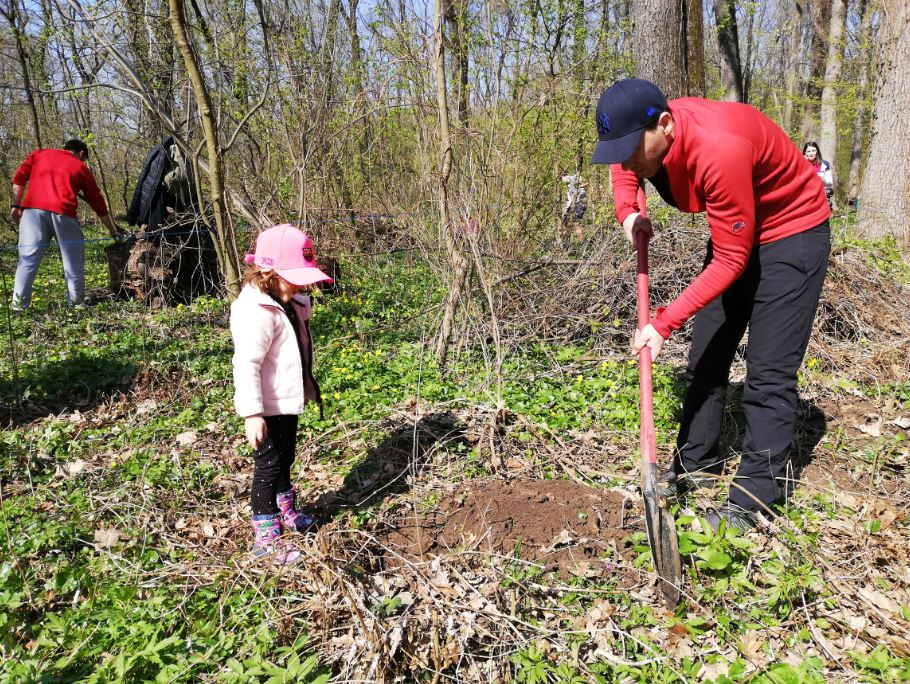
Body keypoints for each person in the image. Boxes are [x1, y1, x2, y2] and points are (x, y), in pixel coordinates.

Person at [591, 79, 831, 531]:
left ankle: (753, 498)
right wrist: (628, 213)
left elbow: (731, 261)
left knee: (768, 373)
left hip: (792, 234)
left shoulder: (717, 149)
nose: (624, 158)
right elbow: (624, 168)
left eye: (630, 147)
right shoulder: (645, 138)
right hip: (739, 232)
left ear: (665, 125)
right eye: (615, 148)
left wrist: (662, 324)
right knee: (706, 355)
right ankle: (694, 467)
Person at [230, 223, 332, 562]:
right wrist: (252, 413)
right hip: (267, 405)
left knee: (285, 458)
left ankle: (286, 511)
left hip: (288, 401)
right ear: (267, 271)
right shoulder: (256, 312)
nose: (302, 284)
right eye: (294, 276)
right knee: (268, 468)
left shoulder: (288, 302)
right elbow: (246, 364)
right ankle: (267, 538)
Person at [10, 139, 124, 311]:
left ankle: (18, 308)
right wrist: (113, 230)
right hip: (63, 214)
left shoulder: (39, 155)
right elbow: (97, 203)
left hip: (32, 213)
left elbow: (19, 178)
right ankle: (77, 305)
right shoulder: (80, 167)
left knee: (27, 260)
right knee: (73, 262)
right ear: (82, 154)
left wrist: (15, 206)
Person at [802, 142, 834, 209]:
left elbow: (829, 183)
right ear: (805, 152)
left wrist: (823, 179)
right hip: (805, 196)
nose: (811, 153)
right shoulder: (800, 164)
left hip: (820, 195)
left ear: (817, 151)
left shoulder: (825, 164)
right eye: (808, 151)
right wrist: (802, 163)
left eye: (813, 151)